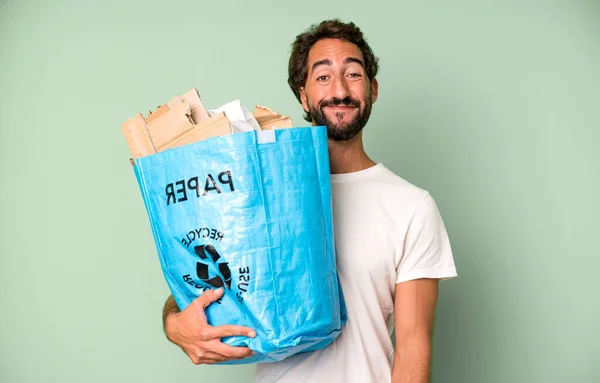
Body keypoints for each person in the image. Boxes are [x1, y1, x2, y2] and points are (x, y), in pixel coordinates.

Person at [162, 19, 457, 383]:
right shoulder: (261, 190)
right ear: (303, 95)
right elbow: (205, 282)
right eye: (322, 77)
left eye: (352, 73)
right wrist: (174, 324)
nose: (340, 89)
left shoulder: (412, 206)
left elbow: (413, 350)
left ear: (372, 88)